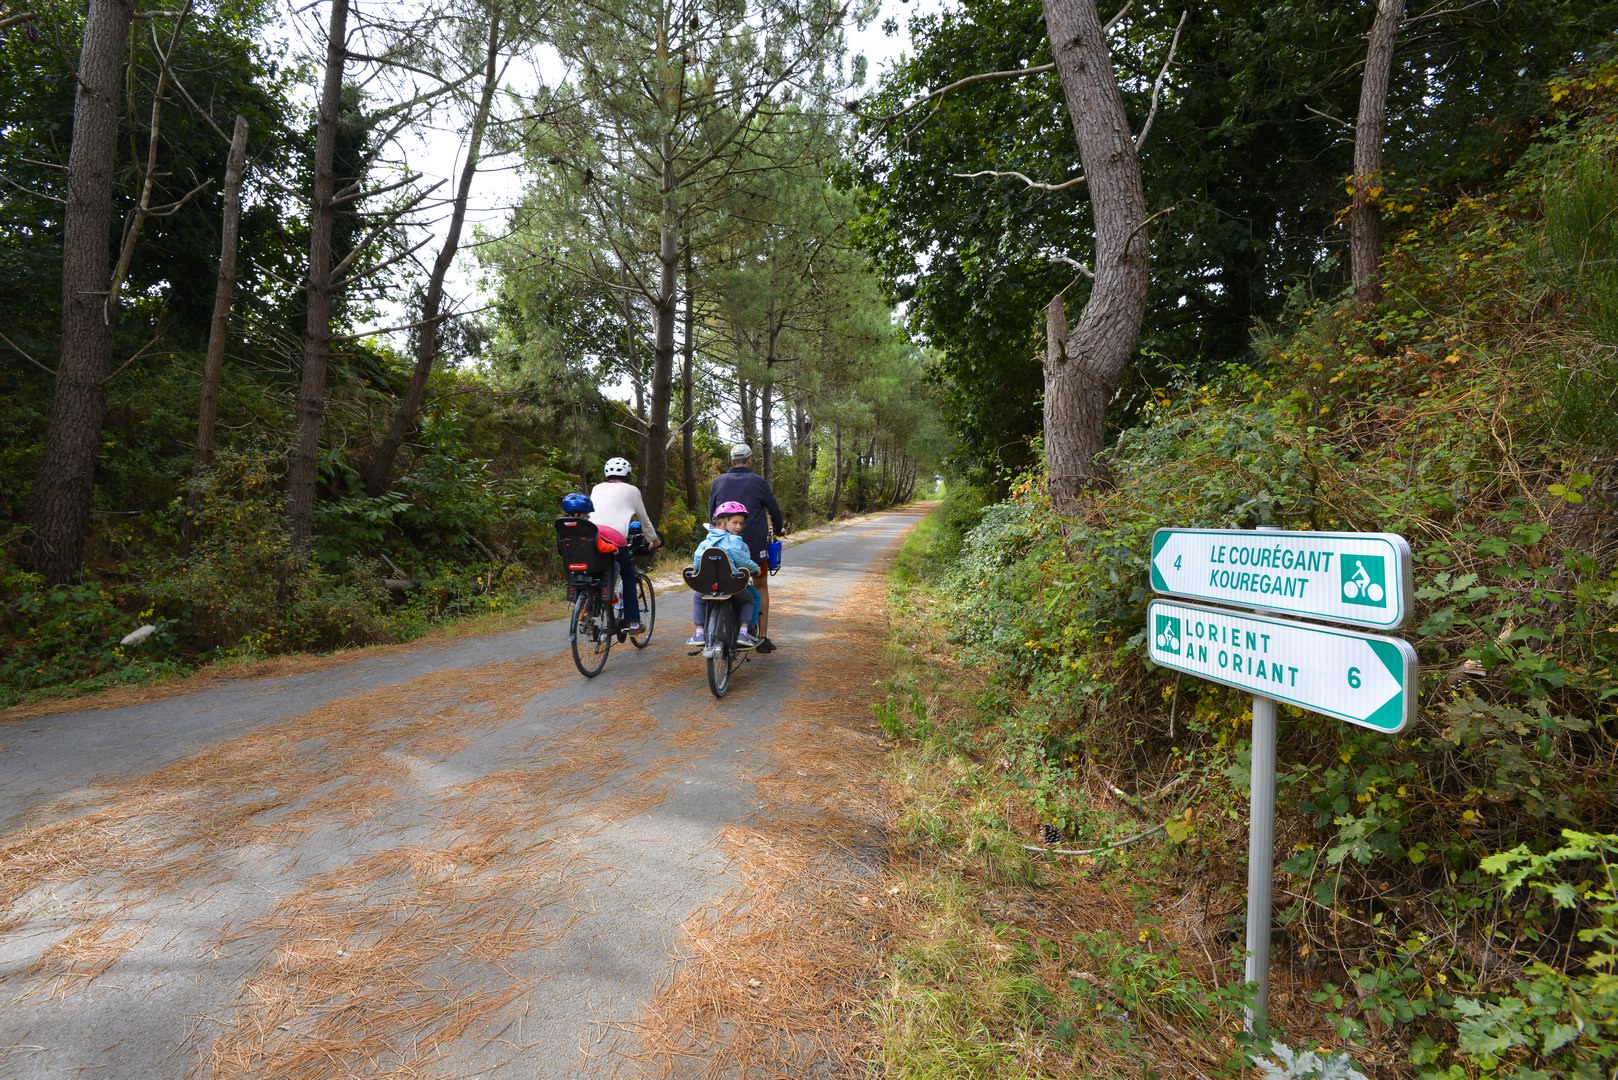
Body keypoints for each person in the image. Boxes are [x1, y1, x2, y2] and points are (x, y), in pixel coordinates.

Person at [708, 444, 784, 651]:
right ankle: (762, 637)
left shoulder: (718, 482)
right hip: (753, 545)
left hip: (722, 544)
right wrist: (779, 528)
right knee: (760, 586)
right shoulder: (758, 482)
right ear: (749, 460)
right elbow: (774, 510)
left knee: (724, 579)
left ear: (732, 462)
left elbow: (711, 514)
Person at [586, 457, 662, 634]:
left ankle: (588, 612)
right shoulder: (632, 490)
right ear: (628, 474)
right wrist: (654, 541)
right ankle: (634, 622)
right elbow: (645, 521)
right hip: (614, 538)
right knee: (628, 576)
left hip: (592, 535)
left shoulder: (597, 488)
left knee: (597, 573)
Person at [686, 501, 760, 648]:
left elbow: (697, 560)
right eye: (735, 523)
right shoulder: (735, 542)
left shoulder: (706, 541)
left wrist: (697, 569)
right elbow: (742, 559)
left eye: (741, 523)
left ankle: (699, 633)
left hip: (707, 584)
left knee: (698, 598)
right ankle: (744, 632)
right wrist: (755, 568)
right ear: (723, 523)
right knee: (749, 599)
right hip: (731, 584)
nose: (739, 527)